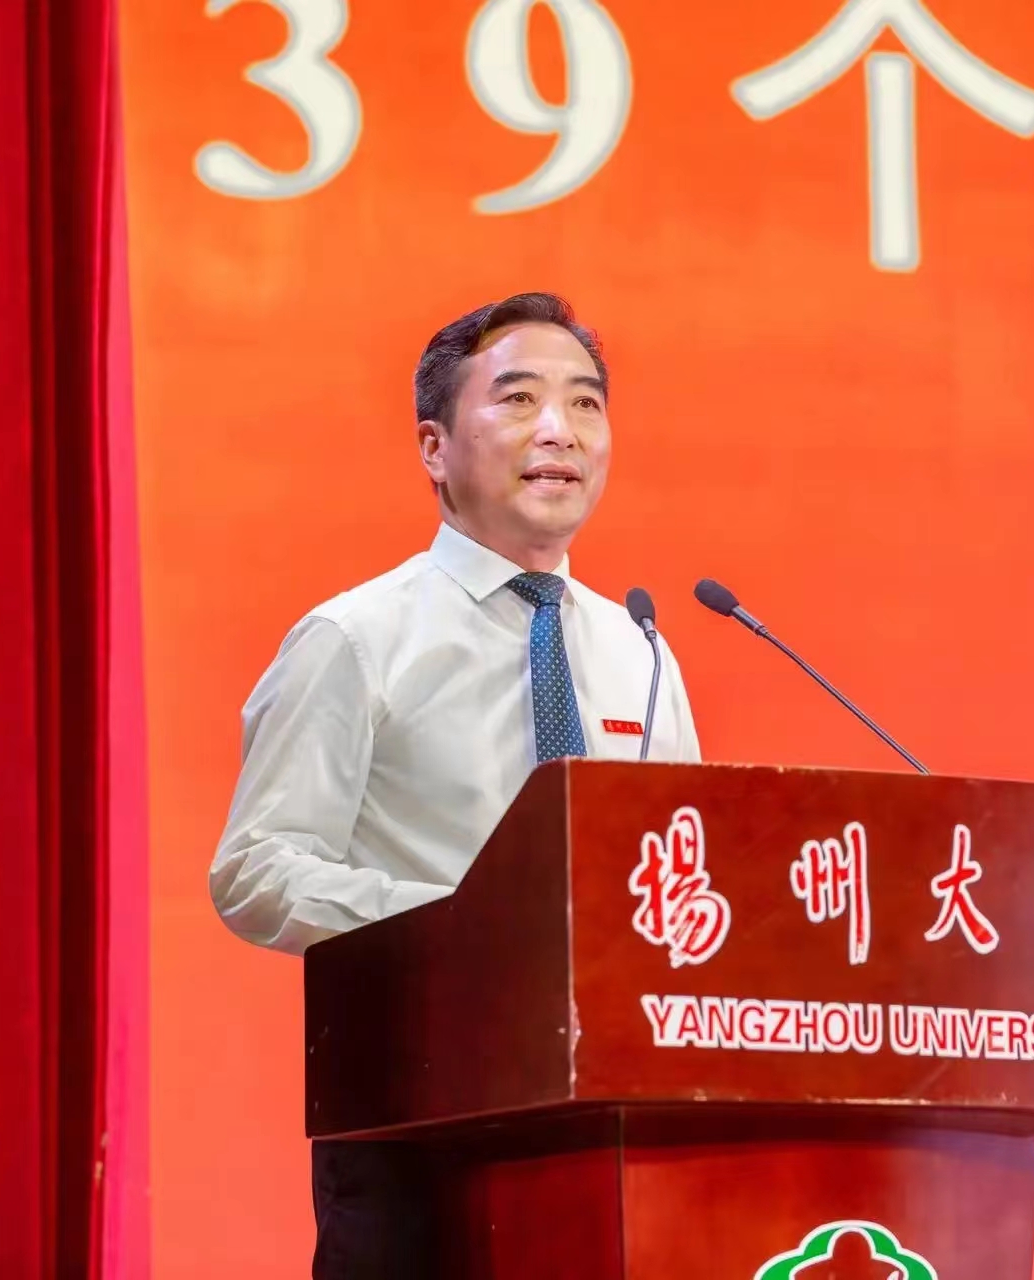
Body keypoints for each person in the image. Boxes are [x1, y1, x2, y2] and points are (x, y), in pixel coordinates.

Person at [207, 292, 700, 1276]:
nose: (560, 430)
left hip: (607, 1120)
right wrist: (460, 923)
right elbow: (255, 869)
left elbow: (689, 865)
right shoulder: (358, 638)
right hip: (420, 1121)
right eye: (518, 399)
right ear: (434, 447)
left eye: (586, 402)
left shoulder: (639, 650)